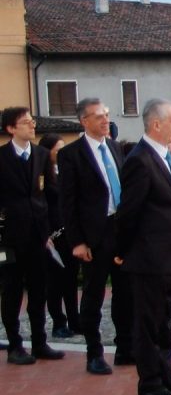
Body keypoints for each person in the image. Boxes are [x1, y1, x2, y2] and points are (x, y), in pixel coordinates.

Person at [116, 99, 171, 395]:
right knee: (149, 323)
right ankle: (150, 382)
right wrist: (122, 250)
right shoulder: (140, 160)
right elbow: (129, 212)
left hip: (168, 254)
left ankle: (166, 374)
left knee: (164, 320)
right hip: (148, 256)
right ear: (156, 124)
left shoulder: (166, 158)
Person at [57, 98, 138, 373]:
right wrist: (77, 241)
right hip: (94, 233)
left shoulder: (115, 148)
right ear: (84, 121)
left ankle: (125, 347)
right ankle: (94, 352)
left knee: (125, 291)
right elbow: (67, 202)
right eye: (98, 116)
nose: (105, 120)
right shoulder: (71, 154)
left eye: (106, 115)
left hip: (120, 229)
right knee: (93, 293)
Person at [0, 107, 62, 365]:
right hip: (8, 237)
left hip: (38, 233)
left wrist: (51, 230)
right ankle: (15, 345)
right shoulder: (2, 157)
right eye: (25, 122)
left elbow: (50, 193)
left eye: (32, 121)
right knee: (12, 290)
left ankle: (39, 342)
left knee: (39, 290)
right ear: (11, 128)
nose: (32, 125)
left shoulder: (41, 155)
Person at [38, 134, 80, 340]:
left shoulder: (65, 171)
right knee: (54, 281)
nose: (62, 152)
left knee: (71, 279)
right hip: (53, 233)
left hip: (69, 231)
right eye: (58, 148)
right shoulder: (42, 175)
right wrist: (45, 232)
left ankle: (74, 319)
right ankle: (58, 322)